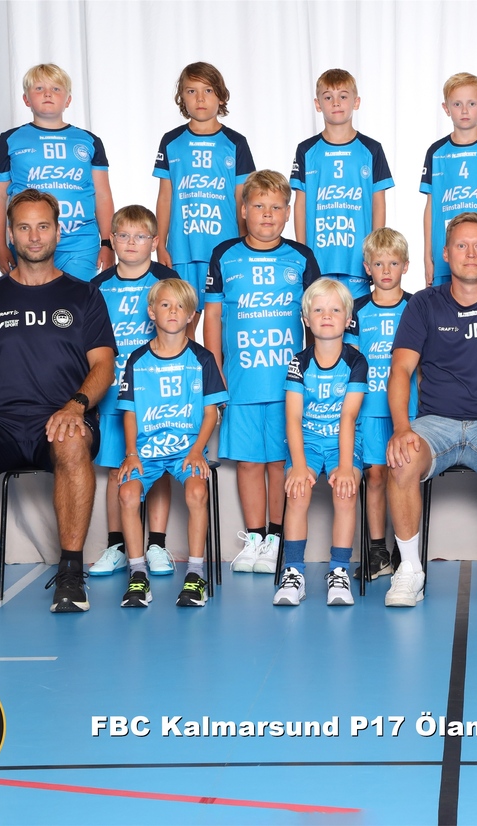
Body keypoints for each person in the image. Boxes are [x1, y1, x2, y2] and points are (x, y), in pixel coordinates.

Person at [0, 189, 116, 614]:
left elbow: (104, 366)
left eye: (43, 226)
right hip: (0, 425)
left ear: (57, 232)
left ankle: (70, 574)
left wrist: (75, 406)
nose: (34, 236)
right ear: (10, 235)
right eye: (24, 227)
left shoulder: (85, 296)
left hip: (61, 419)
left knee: (73, 440)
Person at [382, 213, 477, 608]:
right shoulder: (424, 303)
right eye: (462, 246)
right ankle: (410, 570)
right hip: (436, 423)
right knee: (401, 459)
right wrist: (401, 428)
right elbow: (400, 370)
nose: (471, 253)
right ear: (446, 254)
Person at [204, 171, 321, 574]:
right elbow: (213, 316)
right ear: (243, 210)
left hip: (287, 384)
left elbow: (315, 319)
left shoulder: (301, 257)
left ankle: (276, 539)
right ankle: (254, 539)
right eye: (258, 206)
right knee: (250, 463)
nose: (267, 214)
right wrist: (216, 373)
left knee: (278, 463)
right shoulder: (224, 254)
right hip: (241, 381)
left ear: (288, 213)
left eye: (276, 207)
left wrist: (314, 372)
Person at [116, 279, 227, 608]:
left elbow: (210, 413)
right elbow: (130, 413)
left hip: (185, 451)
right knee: (127, 493)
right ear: (152, 312)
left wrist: (197, 450)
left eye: (181, 306)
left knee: (196, 492)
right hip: (147, 452)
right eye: (165, 304)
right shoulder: (137, 360)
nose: (173, 311)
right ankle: (138, 575)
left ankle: (195, 574)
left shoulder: (202, 359)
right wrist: (131, 453)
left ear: (192, 315)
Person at [88, 206, 181, 578]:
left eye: (140, 236)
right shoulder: (98, 286)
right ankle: (118, 546)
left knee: (158, 471)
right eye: (123, 235)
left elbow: (183, 329)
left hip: (158, 394)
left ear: (154, 242)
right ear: (112, 239)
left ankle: (156, 545)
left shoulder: (166, 278)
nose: (131, 243)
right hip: (114, 394)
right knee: (118, 470)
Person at [276, 279, 368, 607]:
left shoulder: (356, 362)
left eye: (335, 310)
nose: (326, 316)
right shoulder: (299, 362)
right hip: (309, 441)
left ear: (347, 319)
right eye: (318, 310)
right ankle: (294, 573)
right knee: (297, 490)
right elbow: (292, 418)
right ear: (306, 319)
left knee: (346, 490)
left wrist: (345, 467)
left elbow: (348, 417)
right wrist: (299, 467)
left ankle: (339, 572)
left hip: (344, 442)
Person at [154, 62, 255, 337]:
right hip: (182, 250)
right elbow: (165, 197)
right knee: (181, 324)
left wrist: (245, 245)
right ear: (182, 97)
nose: (200, 98)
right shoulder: (171, 141)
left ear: (220, 96)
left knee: (223, 323)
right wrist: (160, 244)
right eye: (191, 91)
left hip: (223, 248)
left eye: (208, 90)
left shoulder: (236, 142)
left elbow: (242, 200)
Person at [0, 64, 115, 282]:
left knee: (77, 300)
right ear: (26, 99)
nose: (48, 94)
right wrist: (0, 246)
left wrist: (107, 243)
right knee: (35, 300)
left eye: (56, 89)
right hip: (30, 242)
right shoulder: (9, 140)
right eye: (39, 88)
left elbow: (102, 194)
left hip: (81, 244)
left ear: (68, 100)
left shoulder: (89, 141)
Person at [344, 229, 415, 580]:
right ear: (367, 267)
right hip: (371, 408)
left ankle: (405, 550)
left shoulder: (417, 306)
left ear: (406, 266)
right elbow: (351, 362)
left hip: (408, 409)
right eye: (379, 264)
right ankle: (377, 551)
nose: (386, 270)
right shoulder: (357, 310)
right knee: (374, 476)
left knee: (405, 476)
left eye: (393, 263)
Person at [292, 69, 394, 301]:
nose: (336, 103)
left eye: (343, 96)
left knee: (355, 319)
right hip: (319, 259)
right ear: (318, 104)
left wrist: (376, 252)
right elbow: (301, 204)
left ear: (356, 102)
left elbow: (378, 203)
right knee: (321, 316)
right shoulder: (306, 150)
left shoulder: (371, 149)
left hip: (357, 260)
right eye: (328, 97)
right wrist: (301, 253)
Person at [420, 72, 477, 287]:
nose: (464, 110)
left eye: (471, 103)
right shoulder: (436, 152)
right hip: (445, 255)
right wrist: (427, 256)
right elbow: (430, 207)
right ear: (446, 108)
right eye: (457, 104)